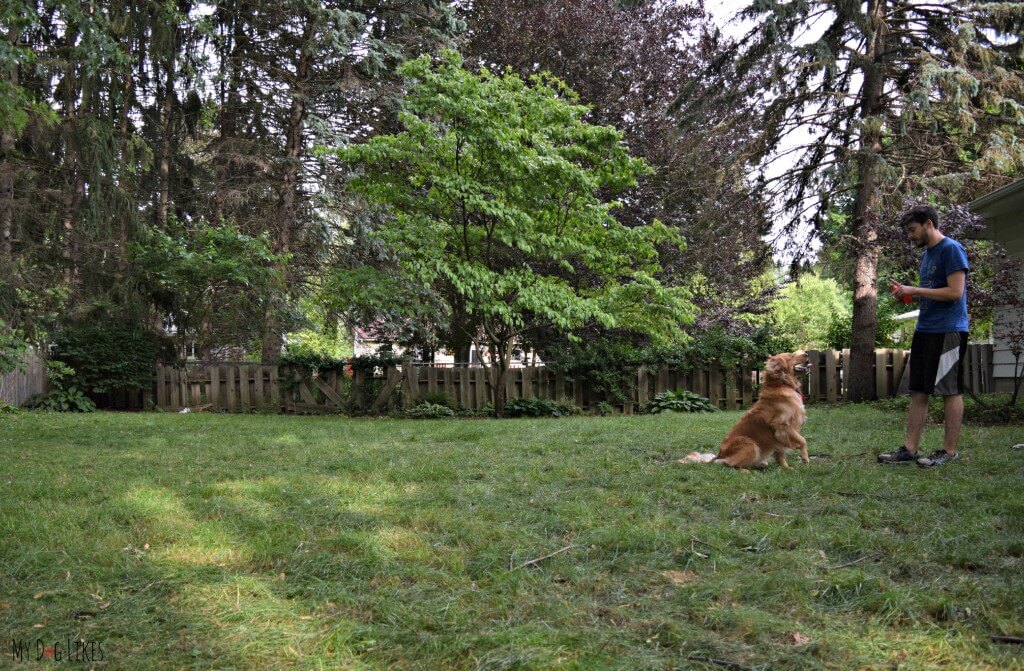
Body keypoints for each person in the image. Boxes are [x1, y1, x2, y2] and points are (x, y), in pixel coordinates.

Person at [878, 205, 969, 468]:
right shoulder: (928, 255)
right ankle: (910, 449)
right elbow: (932, 291)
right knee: (918, 390)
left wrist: (915, 289)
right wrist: (909, 295)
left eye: (912, 230)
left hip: (949, 330)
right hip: (926, 328)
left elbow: (955, 292)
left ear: (928, 224)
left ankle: (949, 452)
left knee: (949, 390)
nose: (909, 235)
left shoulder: (951, 249)